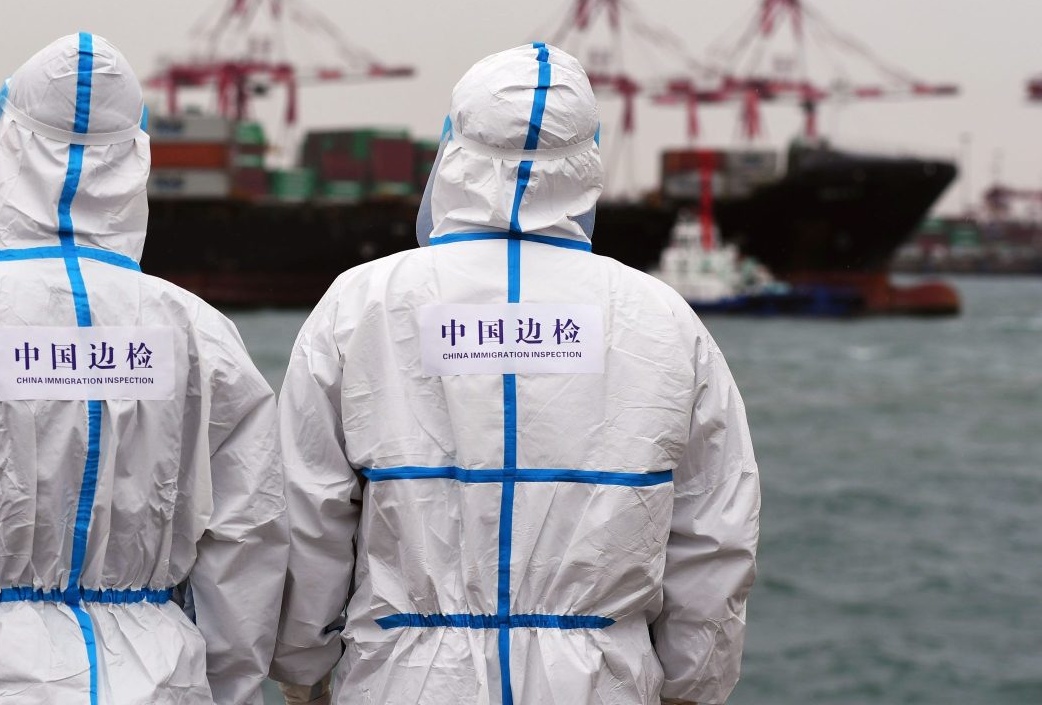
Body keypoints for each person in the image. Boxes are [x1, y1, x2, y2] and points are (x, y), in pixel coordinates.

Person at [272, 43, 759, 705]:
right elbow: (714, 533)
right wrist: (692, 686)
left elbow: (309, 512)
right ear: (590, 159)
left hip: (404, 683)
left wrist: (302, 667)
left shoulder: (363, 305)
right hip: (598, 685)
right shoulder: (662, 319)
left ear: (452, 148)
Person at [0, 33, 287, 705]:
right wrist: (225, 689)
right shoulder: (200, 331)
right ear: (135, 158)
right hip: (163, 680)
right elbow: (248, 542)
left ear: (5, 144)